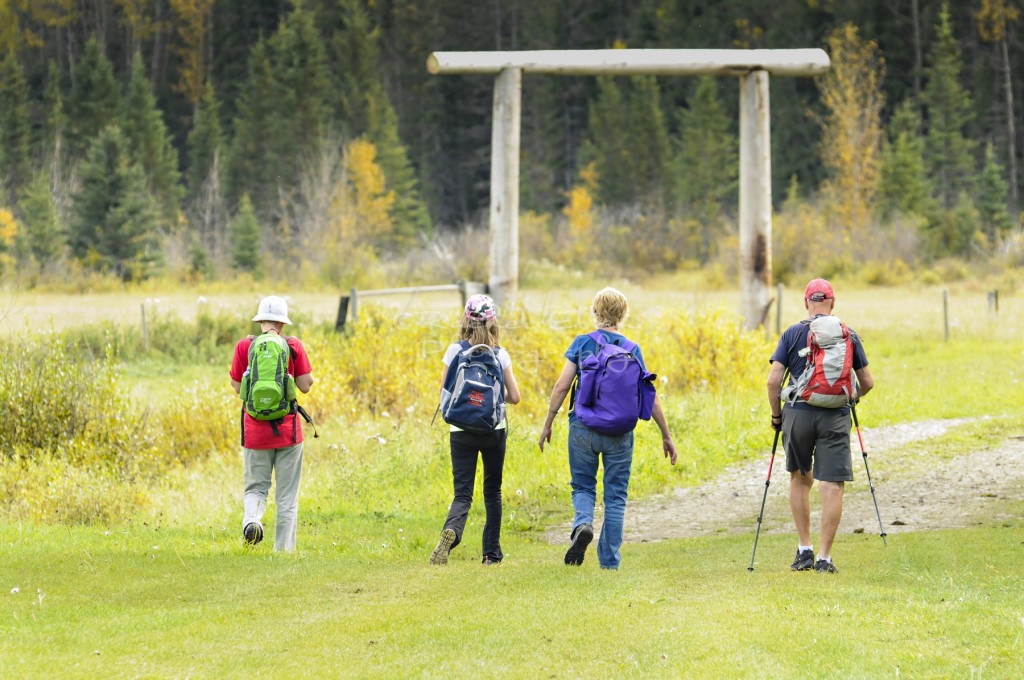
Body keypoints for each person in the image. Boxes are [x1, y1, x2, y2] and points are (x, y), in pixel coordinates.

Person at [538, 287, 677, 570]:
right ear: (623, 314)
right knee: (615, 497)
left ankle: (583, 525)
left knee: (582, 486)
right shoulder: (632, 349)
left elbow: (561, 386)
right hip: (620, 433)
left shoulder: (581, 343)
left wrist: (548, 422)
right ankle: (610, 564)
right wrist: (666, 434)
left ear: (595, 312)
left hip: (582, 427)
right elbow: (650, 395)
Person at [766, 278, 874, 574]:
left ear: (805, 303)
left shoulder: (792, 333)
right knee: (831, 485)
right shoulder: (848, 335)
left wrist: (777, 417)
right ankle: (825, 558)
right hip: (835, 415)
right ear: (833, 303)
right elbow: (867, 383)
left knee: (800, 479)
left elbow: (773, 380)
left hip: (798, 412)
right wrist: (850, 397)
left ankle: (804, 550)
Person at [430, 294, 521, 566]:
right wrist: (489, 398)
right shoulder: (500, 354)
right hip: (494, 429)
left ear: (466, 320)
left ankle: (453, 531)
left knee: (463, 493)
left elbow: (444, 393)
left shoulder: (454, 351)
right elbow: (514, 397)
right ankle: (491, 555)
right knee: (492, 491)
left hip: (460, 429)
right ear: (493, 321)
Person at [229, 296, 314, 552]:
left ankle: (253, 521)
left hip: (254, 433)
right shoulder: (292, 344)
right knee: (287, 496)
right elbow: (306, 385)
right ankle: (283, 552)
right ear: (283, 323)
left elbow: (236, 387)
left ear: (260, 321)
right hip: (288, 432)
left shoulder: (244, 346)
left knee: (256, 488)